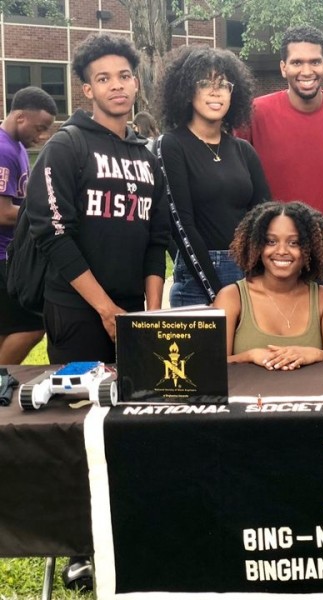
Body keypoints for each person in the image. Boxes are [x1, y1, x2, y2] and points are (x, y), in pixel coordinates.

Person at [25, 33, 170, 590]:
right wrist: (108, 309)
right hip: (80, 315)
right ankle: (82, 549)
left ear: (137, 82)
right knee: (84, 430)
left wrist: (149, 312)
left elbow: (158, 237)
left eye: (124, 76)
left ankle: (131, 534)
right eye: (103, 78)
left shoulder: (144, 154)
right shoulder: (67, 146)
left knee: (136, 428)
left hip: (136, 317)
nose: (116, 85)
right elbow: (52, 234)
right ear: (86, 89)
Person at [239, 25, 323, 309]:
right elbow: (235, 181)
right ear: (283, 67)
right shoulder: (254, 114)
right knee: (271, 346)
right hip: (272, 255)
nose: (306, 70)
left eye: (314, 61)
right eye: (297, 62)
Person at [158, 45, 270, 307]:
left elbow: (264, 216)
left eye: (223, 84)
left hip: (246, 273)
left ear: (234, 93)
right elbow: (181, 225)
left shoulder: (243, 150)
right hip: (197, 280)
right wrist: (215, 292)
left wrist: (256, 272)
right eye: (204, 83)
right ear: (186, 91)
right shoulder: (172, 145)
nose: (215, 91)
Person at [213, 201, 323, 368]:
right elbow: (211, 364)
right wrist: (250, 356)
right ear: (257, 245)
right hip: (251, 394)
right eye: (271, 242)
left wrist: (314, 354)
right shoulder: (231, 297)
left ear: (310, 248)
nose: (282, 251)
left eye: (294, 243)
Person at [0, 87, 56, 364]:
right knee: (32, 326)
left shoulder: (18, 147)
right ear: (20, 117)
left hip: (9, 254)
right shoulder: (3, 150)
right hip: (3, 258)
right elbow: (2, 213)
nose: (43, 135)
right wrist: (44, 210)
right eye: (40, 127)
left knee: (5, 330)